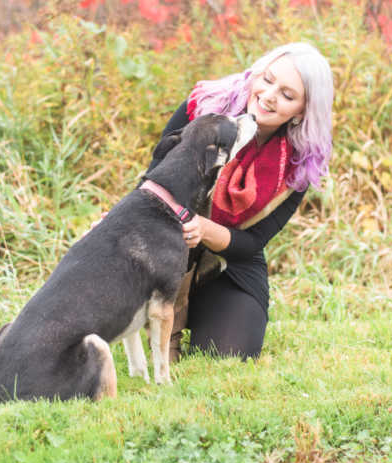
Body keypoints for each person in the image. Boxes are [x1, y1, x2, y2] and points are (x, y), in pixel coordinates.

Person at [143, 42, 334, 361]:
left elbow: (253, 242)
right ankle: (164, 325)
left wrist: (204, 229)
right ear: (257, 73)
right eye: (268, 79)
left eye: (287, 95)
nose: (269, 95)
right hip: (169, 243)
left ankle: (202, 311)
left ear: (303, 110)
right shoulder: (203, 105)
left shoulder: (300, 160)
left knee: (227, 356)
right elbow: (155, 180)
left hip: (229, 260)